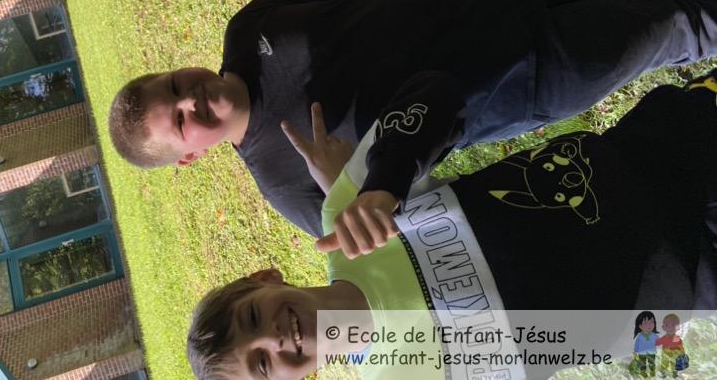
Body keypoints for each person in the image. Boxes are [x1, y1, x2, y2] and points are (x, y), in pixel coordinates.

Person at [109, 0, 717, 235]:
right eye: (180, 122)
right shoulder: (291, 186)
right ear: (190, 156)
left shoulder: (245, 33)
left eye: (172, 86)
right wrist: (346, 188)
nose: (189, 98)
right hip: (529, 72)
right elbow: (410, 231)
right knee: (676, 26)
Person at [185, 71, 717, 380]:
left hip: (658, 153)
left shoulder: (349, 218)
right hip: (691, 279)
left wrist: (382, 183)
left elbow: (435, 92)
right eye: (262, 365)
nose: (273, 338)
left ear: (263, 279)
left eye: (252, 317)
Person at [656, 313, 688, 377]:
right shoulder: (664, 337)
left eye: (673, 325)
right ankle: (663, 373)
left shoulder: (677, 338)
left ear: (678, 327)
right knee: (664, 363)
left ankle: (674, 373)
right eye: (667, 325)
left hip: (674, 353)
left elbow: (680, 346)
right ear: (663, 327)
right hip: (665, 352)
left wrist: (682, 353)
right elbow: (657, 343)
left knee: (673, 364)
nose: (670, 327)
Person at [633, 311, 660, 377]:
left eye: (651, 322)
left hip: (652, 352)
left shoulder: (654, 335)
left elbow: (659, 341)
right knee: (642, 364)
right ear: (640, 326)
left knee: (652, 363)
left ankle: (652, 372)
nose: (649, 325)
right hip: (642, 353)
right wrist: (636, 350)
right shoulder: (640, 336)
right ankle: (643, 373)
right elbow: (637, 343)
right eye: (645, 323)